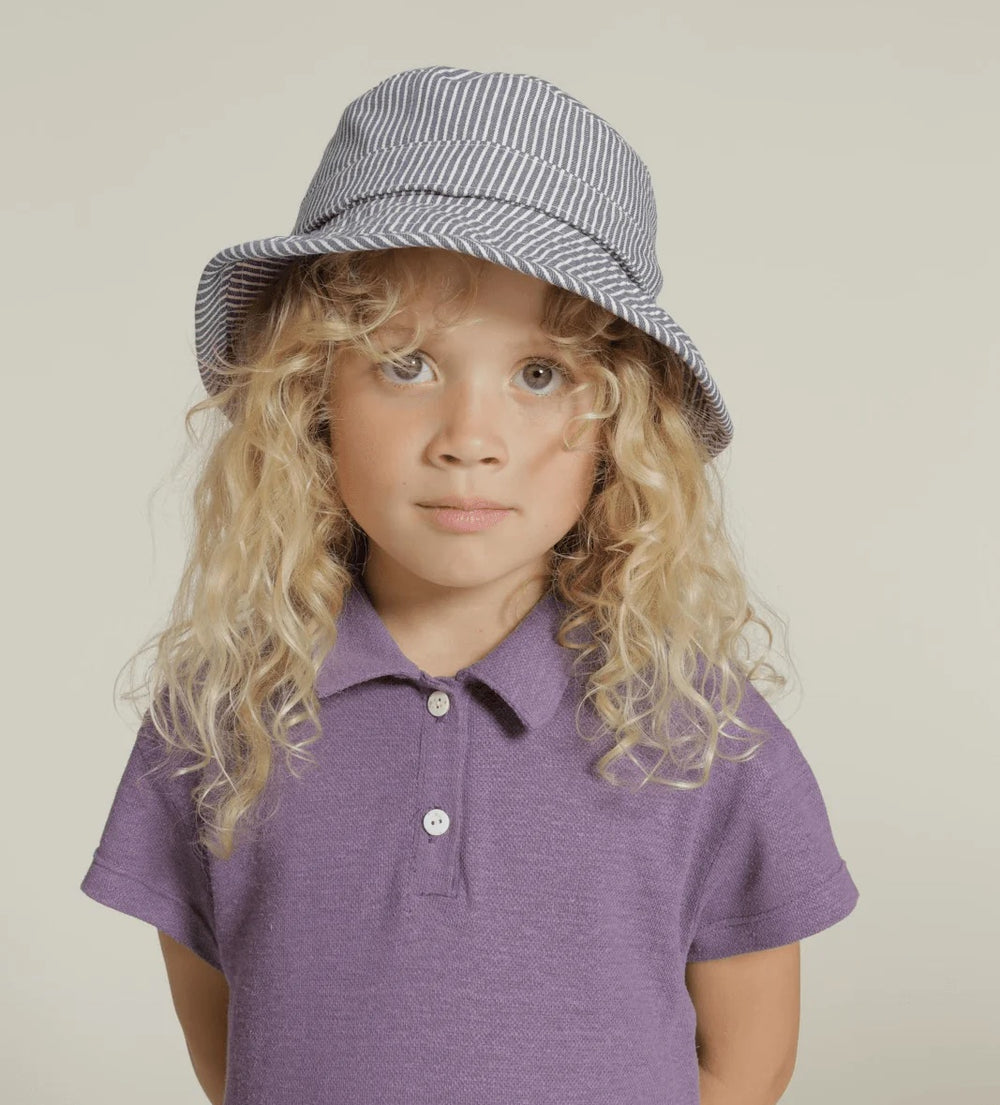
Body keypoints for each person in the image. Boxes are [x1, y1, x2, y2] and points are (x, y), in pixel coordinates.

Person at [80, 66, 859, 1105]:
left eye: (539, 374)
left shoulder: (699, 734)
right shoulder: (220, 720)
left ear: (619, 428)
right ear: (311, 398)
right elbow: (241, 1056)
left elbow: (745, 1063)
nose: (469, 442)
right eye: (405, 363)